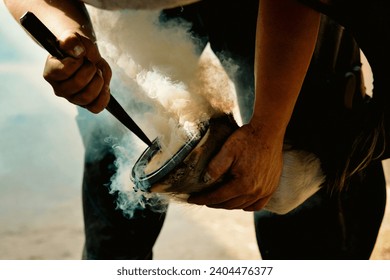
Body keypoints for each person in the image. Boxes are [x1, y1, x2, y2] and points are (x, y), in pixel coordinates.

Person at [3, 0, 386, 259]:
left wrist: (269, 129)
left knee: (300, 179)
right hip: (126, 9)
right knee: (115, 181)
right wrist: (69, 37)